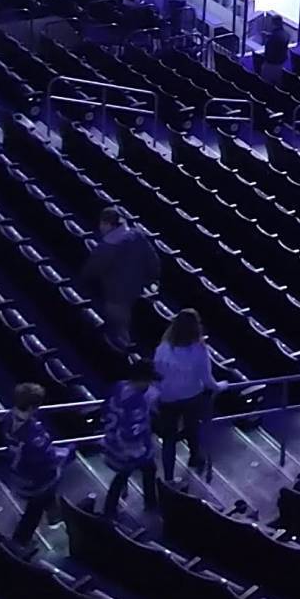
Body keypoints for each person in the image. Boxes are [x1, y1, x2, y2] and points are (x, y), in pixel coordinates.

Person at [78, 208, 162, 352]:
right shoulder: (137, 234)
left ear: (110, 225)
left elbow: (91, 271)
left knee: (118, 331)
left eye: (103, 224)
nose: (100, 227)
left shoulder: (106, 247)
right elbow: (153, 260)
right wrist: (152, 279)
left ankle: (123, 355)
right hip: (138, 289)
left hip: (117, 295)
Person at [152, 309, 213, 485]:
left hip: (167, 398)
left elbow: (156, 376)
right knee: (192, 429)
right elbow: (207, 379)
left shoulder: (162, 349)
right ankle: (195, 458)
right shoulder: (199, 349)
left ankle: (169, 478)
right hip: (191, 397)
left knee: (169, 439)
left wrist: (155, 398)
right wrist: (220, 386)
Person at [3, 382, 67, 550]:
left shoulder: (8, 417)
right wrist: (65, 452)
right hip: (34, 479)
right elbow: (48, 459)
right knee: (33, 512)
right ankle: (19, 542)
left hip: (18, 470)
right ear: (33, 406)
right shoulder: (33, 433)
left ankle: (54, 514)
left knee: (48, 492)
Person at [99, 353, 160, 520]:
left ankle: (149, 502)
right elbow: (133, 432)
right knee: (127, 474)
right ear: (143, 378)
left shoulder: (118, 386)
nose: (151, 383)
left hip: (111, 440)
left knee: (141, 471)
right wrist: (143, 450)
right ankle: (111, 511)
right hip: (129, 449)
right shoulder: (137, 402)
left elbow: (104, 411)